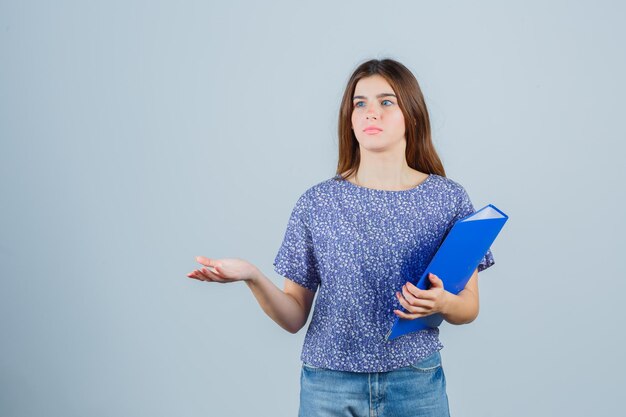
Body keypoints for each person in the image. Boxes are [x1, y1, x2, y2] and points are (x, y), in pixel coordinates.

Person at [186, 58, 495, 417]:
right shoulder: (317, 202)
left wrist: (442, 303)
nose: (370, 113)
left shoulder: (448, 199)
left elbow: (469, 306)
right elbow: (293, 316)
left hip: (415, 380)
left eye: (386, 102)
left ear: (411, 113)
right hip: (328, 385)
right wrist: (251, 276)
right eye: (359, 103)